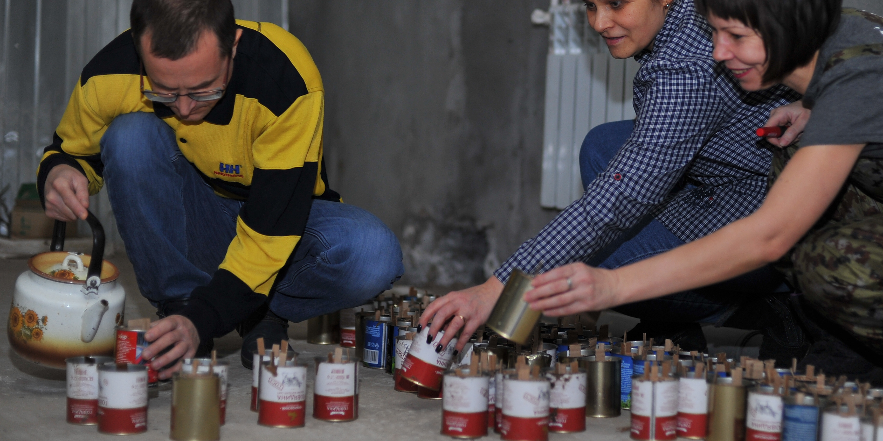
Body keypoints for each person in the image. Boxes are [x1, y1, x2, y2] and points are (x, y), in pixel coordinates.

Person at [517, 0, 883, 381]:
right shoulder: (841, 39)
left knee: (829, 260)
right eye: (716, 33)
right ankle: (768, 307)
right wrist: (812, 107)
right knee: (606, 148)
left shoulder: (854, 79)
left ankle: (851, 348)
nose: (719, 54)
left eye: (736, 36)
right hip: (785, 178)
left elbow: (769, 237)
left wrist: (613, 287)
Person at [422, 0, 804, 362]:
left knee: (600, 268)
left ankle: (778, 306)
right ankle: (675, 325)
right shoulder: (688, 20)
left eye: (617, 3)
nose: (600, 23)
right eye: (591, 5)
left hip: (771, 211)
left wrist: (497, 289)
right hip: (733, 177)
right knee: (602, 146)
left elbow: (616, 200)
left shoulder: (687, 68)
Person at [38, 0, 403, 376]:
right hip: (195, 215)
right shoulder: (110, 73)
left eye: (203, 91)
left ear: (233, 45)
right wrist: (60, 173)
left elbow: (273, 227)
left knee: (372, 254)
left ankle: (260, 311)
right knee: (130, 137)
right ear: (139, 50)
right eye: (163, 91)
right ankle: (181, 305)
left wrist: (207, 316)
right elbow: (69, 152)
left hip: (279, 219)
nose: (183, 109)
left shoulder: (285, 78)